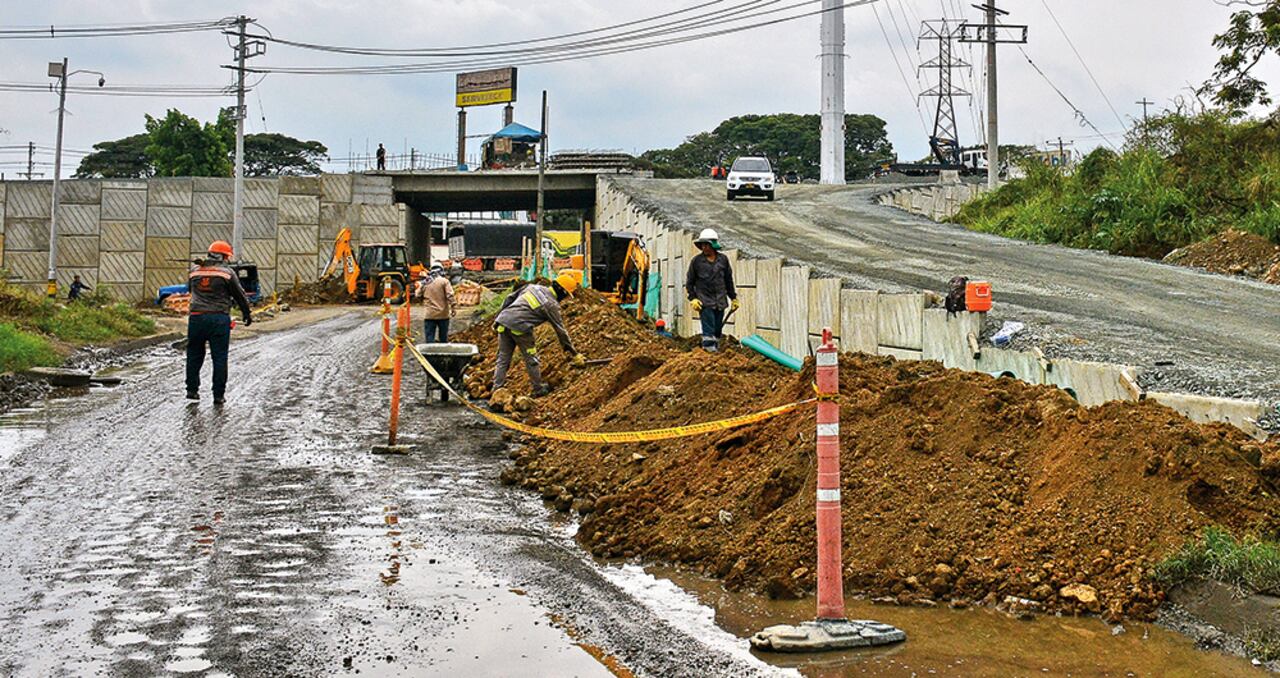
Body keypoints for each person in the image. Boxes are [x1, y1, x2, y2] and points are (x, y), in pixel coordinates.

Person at [492, 273, 586, 398]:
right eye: (567, 295)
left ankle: (496, 389)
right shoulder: (551, 305)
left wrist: (498, 318)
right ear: (563, 291)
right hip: (521, 328)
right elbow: (560, 331)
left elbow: (509, 298)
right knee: (532, 360)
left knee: (503, 359)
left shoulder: (533, 287)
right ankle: (537, 388)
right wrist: (574, 353)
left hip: (503, 322)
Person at [186, 240, 252, 404]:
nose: (228, 260)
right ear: (222, 256)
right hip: (219, 318)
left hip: (196, 317)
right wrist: (246, 313)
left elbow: (190, 290)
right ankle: (218, 395)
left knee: (194, 354)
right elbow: (239, 295)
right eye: (227, 257)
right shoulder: (227, 273)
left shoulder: (194, 272)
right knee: (219, 357)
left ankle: (192, 390)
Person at [685, 228, 738, 352]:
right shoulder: (696, 262)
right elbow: (689, 282)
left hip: (720, 301)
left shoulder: (723, 260)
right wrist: (693, 298)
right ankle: (709, 350)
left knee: (717, 330)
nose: (704, 248)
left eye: (707, 245)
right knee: (708, 330)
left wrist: (733, 298)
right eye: (702, 245)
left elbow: (728, 280)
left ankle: (715, 350)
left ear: (713, 245)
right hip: (705, 301)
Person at [417, 263, 455, 343]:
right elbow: (450, 295)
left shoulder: (426, 282)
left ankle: (430, 354)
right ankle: (442, 353)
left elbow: (418, 294)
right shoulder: (444, 281)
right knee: (443, 338)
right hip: (443, 315)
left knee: (429, 339)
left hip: (429, 315)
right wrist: (453, 307)